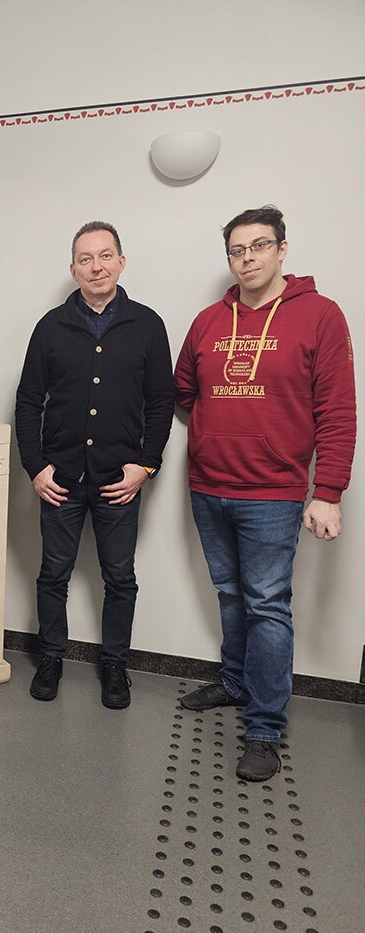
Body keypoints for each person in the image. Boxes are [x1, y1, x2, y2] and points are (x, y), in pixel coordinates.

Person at [175, 205, 356, 782]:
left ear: (282, 249)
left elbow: (337, 412)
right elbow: (184, 390)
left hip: (274, 493)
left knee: (267, 606)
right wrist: (216, 433)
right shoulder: (208, 321)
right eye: (237, 249)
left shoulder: (321, 316)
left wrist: (327, 491)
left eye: (258, 245)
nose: (247, 257)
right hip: (208, 486)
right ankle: (235, 682)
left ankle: (264, 727)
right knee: (231, 595)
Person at [15, 220, 174, 708]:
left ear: (121, 262)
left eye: (105, 256)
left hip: (118, 480)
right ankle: (51, 657)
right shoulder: (50, 327)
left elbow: (161, 402)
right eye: (85, 259)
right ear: (73, 269)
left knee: (120, 578)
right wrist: (36, 467)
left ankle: (115, 665)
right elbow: (28, 401)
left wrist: (145, 466)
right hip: (60, 479)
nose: (96, 266)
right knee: (53, 575)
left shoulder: (147, 325)